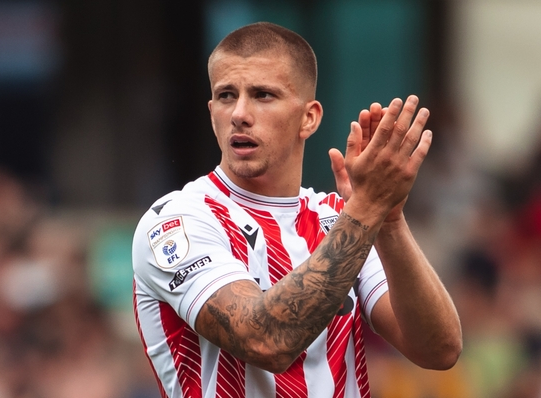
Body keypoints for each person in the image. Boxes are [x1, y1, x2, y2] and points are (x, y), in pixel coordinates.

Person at [132, 22, 462, 398]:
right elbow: (266, 341)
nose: (239, 113)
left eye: (262, 95)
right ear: (211, 112)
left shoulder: (338, 218)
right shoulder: (177, 222)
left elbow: (440, 349)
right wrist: (368, 207)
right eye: (226, 95)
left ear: (310, 117)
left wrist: (389, 219)